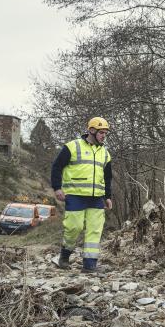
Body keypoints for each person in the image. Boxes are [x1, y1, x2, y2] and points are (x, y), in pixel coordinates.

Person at [50, 117, 113, 273]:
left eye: (105, 133)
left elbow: (107, 177)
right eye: (101, 132)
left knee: (95, 230)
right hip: (75, 196)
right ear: (91, 130)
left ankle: (90, 265)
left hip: (96, 198)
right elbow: (56, 167)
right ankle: (64, 256)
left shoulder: (105, 153)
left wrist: (108, 196)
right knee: (74, 228)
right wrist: (57, 188)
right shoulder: (72, 147)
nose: (104, 135)